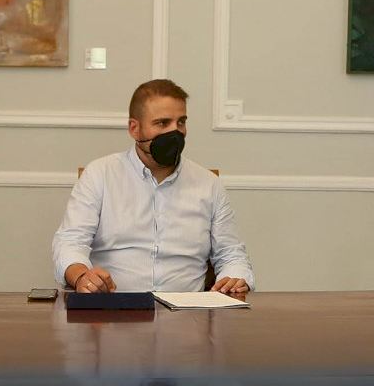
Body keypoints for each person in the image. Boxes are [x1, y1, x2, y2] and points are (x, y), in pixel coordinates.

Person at [52, 79, 254, 294]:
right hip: (113, 307)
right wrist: (82, 276)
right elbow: (70, 242)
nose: (175, 132)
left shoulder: (209, 184)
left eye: (181, 122)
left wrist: (235, 278)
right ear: (134, 128)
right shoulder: (99, 175)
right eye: (162, 123)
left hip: (188, 310)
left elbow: (232, 255)